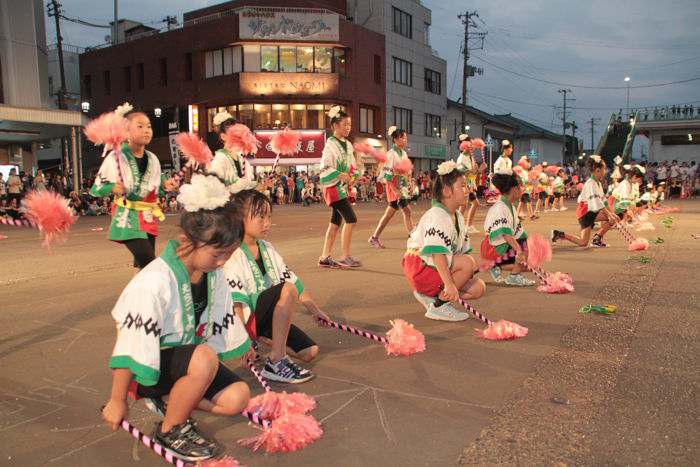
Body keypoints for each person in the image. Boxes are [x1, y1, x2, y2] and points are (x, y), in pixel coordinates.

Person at [101, 174, 251, 462]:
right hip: (149, 368)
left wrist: (245, 348)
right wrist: (118, 399)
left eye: (229, 254)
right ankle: (171, 428)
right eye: (217, 254)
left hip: (187, 362)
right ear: (188, 241)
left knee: (238, 398)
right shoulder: (154, 280)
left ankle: (172, 401)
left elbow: (220, 316)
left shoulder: (214, 274)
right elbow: (131, 341)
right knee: (205, 357)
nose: (223, 262)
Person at [225, 189, 331, 383]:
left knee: (310, 352)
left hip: (268, 317)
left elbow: (295, 282)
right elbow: (236, 303)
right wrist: (243, 340)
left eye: (269, 216)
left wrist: (316, 310)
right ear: (239, 218)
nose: (267, 223)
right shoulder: (231, 253)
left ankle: (268, 345)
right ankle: (276, 361)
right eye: (260, 217)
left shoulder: (267, 248)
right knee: (286, 289)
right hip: (249, 318)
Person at [90, 104, 174, 269]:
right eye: (140, 126)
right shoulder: (116, 156)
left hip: (147, 216)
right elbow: (97, 187)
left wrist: (165, 184)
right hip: (127, 216)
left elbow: (157, 181)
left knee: (143, 267)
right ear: (126, 132)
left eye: (149, 126)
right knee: (151, 264)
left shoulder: (153, 158)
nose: (146, 130)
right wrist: (113, 187)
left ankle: (140, 294)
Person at [403, 160, 485, 321]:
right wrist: (449, 284)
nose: (468, 189)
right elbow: (437, 253)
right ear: (447, 191)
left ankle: (432, 296)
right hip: (420, 267)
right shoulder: (437, 215)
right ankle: (439, 305)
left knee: (478, 288)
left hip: (432, 267)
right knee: (468, 263)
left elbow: (461, 252)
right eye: (462, 186)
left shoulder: (457, 216)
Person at [318, 106, 361, 269]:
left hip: (342, 188)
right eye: (345, 125)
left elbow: (352, 166)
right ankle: (345, 255)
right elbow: (324, 168)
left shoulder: (348, 145)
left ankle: (325, 257)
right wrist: (341, 175)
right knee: (351, 219)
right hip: (334, 188)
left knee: (335, 223)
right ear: (335, 125)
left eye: (350, 124)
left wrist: (354, 176)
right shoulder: (330, 144)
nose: (348, 127)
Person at [551, 155, 618, 248]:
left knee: (583, 242)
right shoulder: (591, 183)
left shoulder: (597, 183)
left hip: (588, 212)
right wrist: (609, 215)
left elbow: (603, 200)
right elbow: (598, 202)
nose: (605, 171)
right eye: (604, 169)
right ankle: (597, 238)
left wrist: (610, 213)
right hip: (585, 213)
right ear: (597, 170)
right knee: (583, 242)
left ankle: (558, 234)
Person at [482, 172, 536, 286]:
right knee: (524, 250)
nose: (522, 189)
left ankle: (496, 265)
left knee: (527, 259)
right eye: (520, 186)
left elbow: (519, 233)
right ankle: (513, 276)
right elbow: (506, 234)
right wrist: (520, 250)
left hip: (499, 245)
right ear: (514, 189)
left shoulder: (508, 205)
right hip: (494, 248)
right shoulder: (501, 207)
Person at [368, 126, 414, 248]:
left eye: (406, 138)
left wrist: (410, 181)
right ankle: (413, 238)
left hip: (401, 184)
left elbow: (406, 170)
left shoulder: (403, 153)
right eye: (403, 138)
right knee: (407, 211)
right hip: (394, 185)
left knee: (393, 213)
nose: (406, 140)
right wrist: (395, 190)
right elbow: (387, 176)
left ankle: (374, 237)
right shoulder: (391, 154)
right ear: (396, 139)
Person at [208, 111, 260, 192]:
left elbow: (248, 188)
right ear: (223, 136)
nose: (237, 136)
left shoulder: (242, 159)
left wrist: (260, 187)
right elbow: (216, 190)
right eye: (233, 134)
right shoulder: (219, 160)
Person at [455, 134, 481, 233]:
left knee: (471, 204)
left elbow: (472, 172)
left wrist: (478, 169)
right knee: (464, 205)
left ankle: (466, 226)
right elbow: (462, 173)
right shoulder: (461, 158)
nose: (471, 146)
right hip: (464, 185)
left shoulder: (470, 157)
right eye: (469, 144)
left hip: (469, 184)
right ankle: (459, 226)